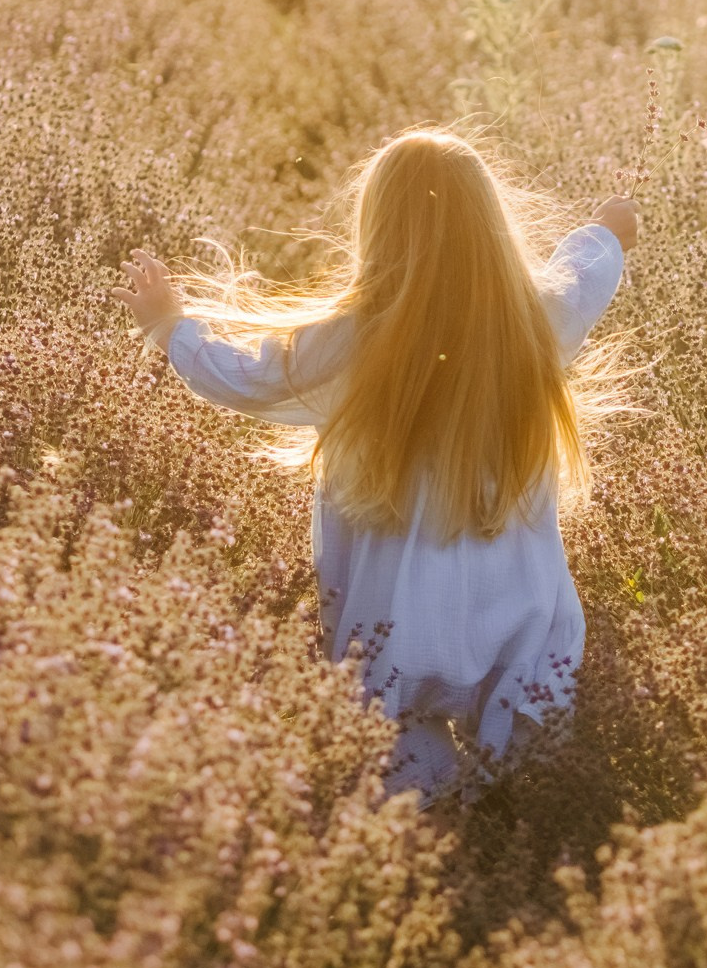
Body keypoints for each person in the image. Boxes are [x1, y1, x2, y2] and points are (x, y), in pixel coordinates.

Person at [113, 129, 637, 804]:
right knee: (530, 717)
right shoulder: (530, 320)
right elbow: (583, 278)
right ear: (490, 226)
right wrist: (609, 231)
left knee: (390, 730)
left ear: (377, 228)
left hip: (397, 611)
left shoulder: (350, 339)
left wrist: (170, 326)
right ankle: (520, 809)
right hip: (515, 598)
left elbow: (242, 378)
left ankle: (430, 807)